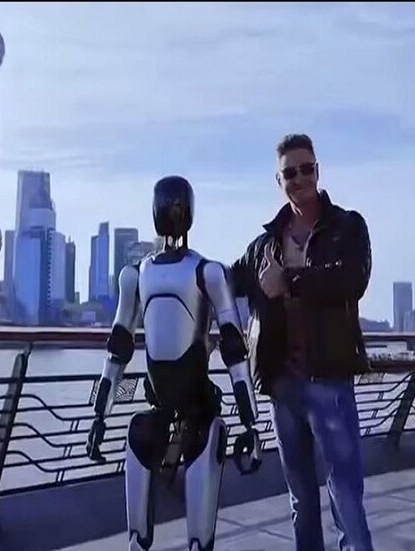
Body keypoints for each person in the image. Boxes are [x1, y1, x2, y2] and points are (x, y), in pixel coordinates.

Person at [86, 175, 262, 551]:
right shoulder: (138, 274)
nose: (172, 211)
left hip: (198, 402)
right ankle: (139, 540)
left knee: (203, 442)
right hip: (160, 399)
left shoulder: (206, 272)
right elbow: (118, 346)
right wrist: (100, 414)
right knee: (140, 436)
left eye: (176, 204)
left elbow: (234, 346)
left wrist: (251, 422)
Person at [229, 134, 374, 551]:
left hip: (329, 382)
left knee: (346, 497)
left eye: (306, 169)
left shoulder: (347, 226)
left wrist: (289, 281)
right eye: (289, 173)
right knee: (301, 500)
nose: (299, 179)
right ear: (279, 181)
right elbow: (226, 281)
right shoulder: (264, 245)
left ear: (318, 171)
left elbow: (352, 280)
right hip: (283, 387)